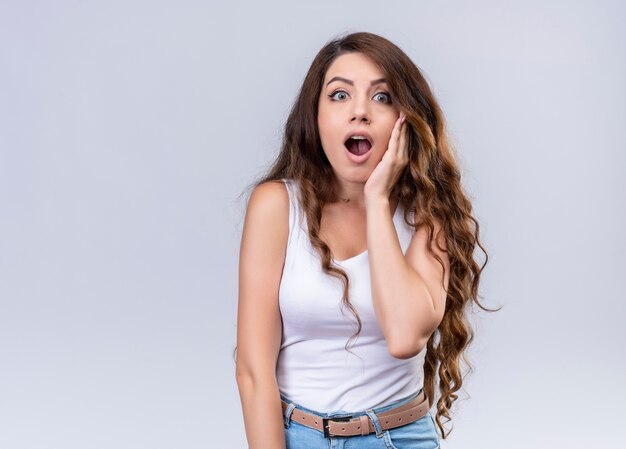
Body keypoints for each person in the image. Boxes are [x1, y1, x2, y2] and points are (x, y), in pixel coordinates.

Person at [235, 31, 492, 449]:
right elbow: (252, 370)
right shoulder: (276, 207)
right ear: (315, 117)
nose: (359, 112)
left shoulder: (429, 215)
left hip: (403, 437)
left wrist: (377, 201)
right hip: (298, 437)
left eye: (382, 97)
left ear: (406, 120)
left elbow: (405, 337)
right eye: (339, 96)